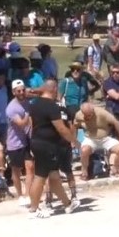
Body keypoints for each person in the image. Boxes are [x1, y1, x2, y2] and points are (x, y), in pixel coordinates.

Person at [23, 81, 80, 218]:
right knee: (40, 177)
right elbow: (61, 128)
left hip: (37, 142)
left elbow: (31, 125)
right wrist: (74, 141)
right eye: (57, 89)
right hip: (46, 145)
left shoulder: (34, 104)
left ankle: (67, 204)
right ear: (54, 89)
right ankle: (33, 209)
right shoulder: (52, 106)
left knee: (54, 176)